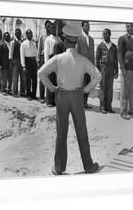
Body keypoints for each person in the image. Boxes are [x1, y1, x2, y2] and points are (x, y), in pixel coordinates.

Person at [38, 24, 101, 175]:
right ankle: (89, 166)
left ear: (65, 41)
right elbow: (98, 75)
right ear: (77, 42)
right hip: (77, 96)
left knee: (61, 132)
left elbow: (41, 73)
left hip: (62, 96)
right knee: (82, 131)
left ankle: (58, 168)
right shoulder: (82, 60)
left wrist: (52, 88)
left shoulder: (58, 59)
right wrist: (85, 90)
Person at [118, 23, 133, 120]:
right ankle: (123, 112)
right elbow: (119, 53)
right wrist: (122, 68)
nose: (129, 28)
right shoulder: (122, 38)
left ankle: (132, 110)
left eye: (130, 26)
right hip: (126, 69)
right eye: (127, 26)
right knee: (125, 91)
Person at [96, 28, 118, 114]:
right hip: (103, 68)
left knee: (109, 88)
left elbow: (116, 60)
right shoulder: (100, 46)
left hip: (111, 68)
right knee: (103, 87)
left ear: (110, 35)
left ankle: (109, 106)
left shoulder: (114, 47)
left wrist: (116, 71)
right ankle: (102, 106)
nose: (104, 36)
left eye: (106, 34)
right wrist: (97, 71)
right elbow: (97, 59)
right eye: (103, 34)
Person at [75, 21, 95, 109]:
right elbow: (76, 52)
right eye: (86, 26)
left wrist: (93, 66)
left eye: (88, 26)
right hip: (81, 66)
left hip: (89, 66)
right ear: (82, 27)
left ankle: (85, 103)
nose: (88, 27)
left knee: (88, 85)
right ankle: (79, 103)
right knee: (81, 85)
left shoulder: (91, 39)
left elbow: (92, 54)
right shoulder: (79, 38)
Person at [44, 22, 60, 107]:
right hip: (50, 61)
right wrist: (47, 65)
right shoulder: (48, 39)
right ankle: (49, 101)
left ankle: (54, 100)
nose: (53, 29)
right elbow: (46, 53)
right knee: (50, 81)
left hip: (57, 62)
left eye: (55, 28)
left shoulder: (58, 39)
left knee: (55, 82)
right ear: (49, 29)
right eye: (52, 28)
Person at [20, 29, 38, 100]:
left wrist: (37, 62)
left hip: (33, 62)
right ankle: (28, 94)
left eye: (31, 34)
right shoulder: (23, 44)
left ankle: (33, 94)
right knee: (28, 80)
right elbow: (22, 55)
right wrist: (23, 66)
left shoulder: (34, 43)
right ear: (26, 35)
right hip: (27, 62)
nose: (30, 35)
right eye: (29, 34)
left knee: (35, 80)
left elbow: (36, 54)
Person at [37, 20, 51, 103]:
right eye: (47, 25)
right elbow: (39, 49)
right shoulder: (42, 37)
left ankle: (49, 97)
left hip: (50, 59)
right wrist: (38, 60)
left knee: (49, 78)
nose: (49, 27)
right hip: (42, 58)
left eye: (50, 25)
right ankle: (42, 97)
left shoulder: (53, 37)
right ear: (45, 27)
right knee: (42, 78)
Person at [9, 28, 26, 97]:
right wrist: (11, 61)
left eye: (19, 32)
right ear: (15, 34)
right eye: (17, 32)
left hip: (22, 60)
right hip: (15, 60)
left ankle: (22, 91)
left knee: (23, 77)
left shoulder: (23, 41)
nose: (18, 34)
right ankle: (14, 91)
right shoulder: (13, 42)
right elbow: (11, 52)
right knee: (15, 77)